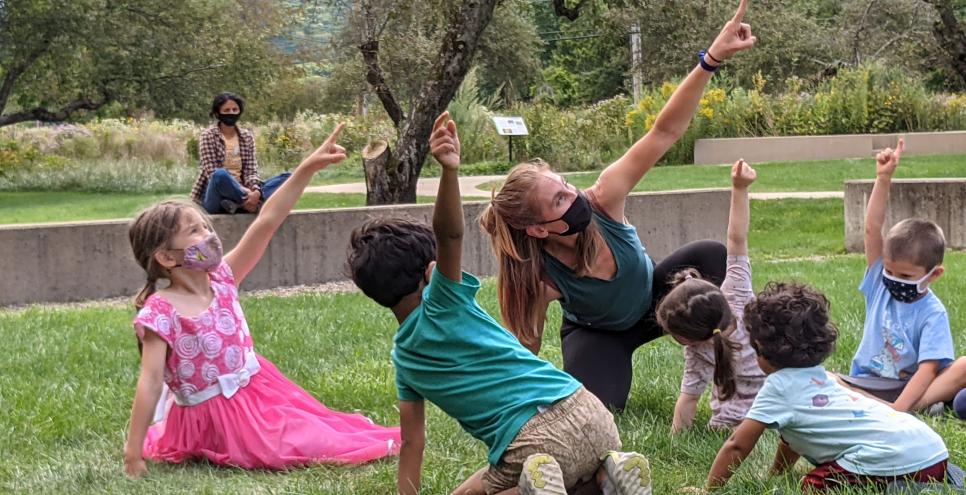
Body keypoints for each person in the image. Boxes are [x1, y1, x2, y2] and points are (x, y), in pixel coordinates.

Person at [348, 112, 652, 495]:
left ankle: (534, 488)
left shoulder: (409, 357)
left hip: (534, 441)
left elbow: (412, 444)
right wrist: (448, 171)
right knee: (562, 476)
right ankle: (608, 474)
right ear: (430, 272)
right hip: (587, 408)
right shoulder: (447, 301)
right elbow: (451, 236)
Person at [479, 0, 756, 411]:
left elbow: (664, 131)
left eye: (566, 185)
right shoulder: (536, 273)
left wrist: (711, 59)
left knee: (710, 255)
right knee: (597, 410)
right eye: (559, 200)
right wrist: (519, 410)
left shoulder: (604, 197)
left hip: (656, 301)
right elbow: (526, 348)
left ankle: (749, 360)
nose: (574, 197)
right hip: (598, 333)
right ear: (538, 229)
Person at [123, 124, 400, 477]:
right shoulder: (160, 311)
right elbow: (150, 381)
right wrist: (134, 454)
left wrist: (307, 167)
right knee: (297, 446)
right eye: (195, 231)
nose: (209, 235)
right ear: (166, 257)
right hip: (216, 418)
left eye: (206, 227)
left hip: (259, 392)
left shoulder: (222, 278)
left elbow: (268, 219)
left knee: (324, 430)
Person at [700, 282, 953, 493]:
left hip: (899, 459)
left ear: (761, 350)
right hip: (932, 451)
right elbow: (792, 438)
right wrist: (775, 475)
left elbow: (737, 444)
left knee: (813, 485)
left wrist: (709, 489)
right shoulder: (825, 379)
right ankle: (916, 483)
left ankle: (902, 487)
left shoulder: (778, 387)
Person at [838, 138, 966, 413]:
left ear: (934, 275)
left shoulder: (933, 312)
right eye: (889, 271)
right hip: (868, 381)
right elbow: (872, 228)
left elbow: (928, 369)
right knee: (829, 380)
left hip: (911, 386)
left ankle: (908, 407)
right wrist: (883, 178)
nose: (894, 280)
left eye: (906, 276)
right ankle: (912, 406)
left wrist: (897, 411)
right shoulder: (879, 285)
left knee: (964, 365)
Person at [656, 159, 765, 432]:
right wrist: (739, 188)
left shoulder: (696, 351)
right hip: (779, 410)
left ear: (689, 337)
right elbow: (737, 240)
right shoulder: (736, 294)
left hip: (729, 423)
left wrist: (675, 441)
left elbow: (689, 399)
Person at [189, 92, 291, 215]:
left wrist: (256, 190)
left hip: (245, 188)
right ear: (217, 113)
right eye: (226, 110)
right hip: (216, 194)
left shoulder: (246, 136)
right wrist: (247, 193)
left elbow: (251, 170)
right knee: (220, 174)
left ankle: (240, 204)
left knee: (289, 178)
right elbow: (211, 172)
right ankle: (252, 204)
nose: (231, 113)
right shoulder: (208, 136)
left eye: (234, 109)